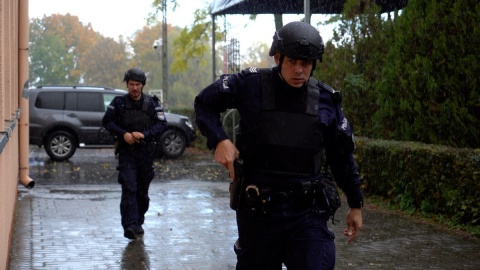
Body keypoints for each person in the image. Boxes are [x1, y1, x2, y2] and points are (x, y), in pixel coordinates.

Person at [194, 21, 363, 269]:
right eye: (292, 62)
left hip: (307, 213)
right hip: (258, 212)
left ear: (314, 64)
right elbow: (204, 103)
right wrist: (220, 139)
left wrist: (356, 204)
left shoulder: (326, 101)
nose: (299, 70)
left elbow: (342, 158)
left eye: (305, 63)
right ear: (277, 58)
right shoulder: (250, 84)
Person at [102, 67, 167, 240]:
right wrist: (123, 134)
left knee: (142, 192)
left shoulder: (152, 103)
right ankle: (129, 226)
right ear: (127, 84)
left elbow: (162, 124)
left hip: (146, 154)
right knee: (129, 188)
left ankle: (138, 221)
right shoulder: (118, 103)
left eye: (138, 84)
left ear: (143, 85)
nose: (135, 88)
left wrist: (145, 134)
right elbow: (107, 121)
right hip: (126, 153)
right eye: (131, 84)